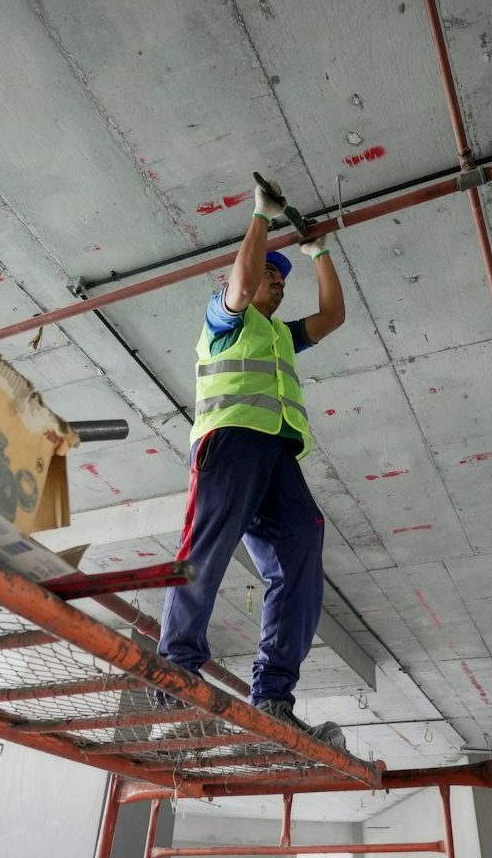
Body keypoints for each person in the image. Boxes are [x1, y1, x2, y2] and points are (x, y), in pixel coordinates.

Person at [157, 176, 347, 747]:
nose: (277, 283)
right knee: (208, 546)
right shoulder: (225, 321)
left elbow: (333, 316)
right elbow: (239, 283)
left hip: (279, 455)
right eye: (270, 272)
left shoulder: (282, 337)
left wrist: (319, 251)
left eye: (283, 280)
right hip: (231, 444)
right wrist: (261, 218)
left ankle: (273, 696)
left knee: (302, 546)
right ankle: (177, 668)